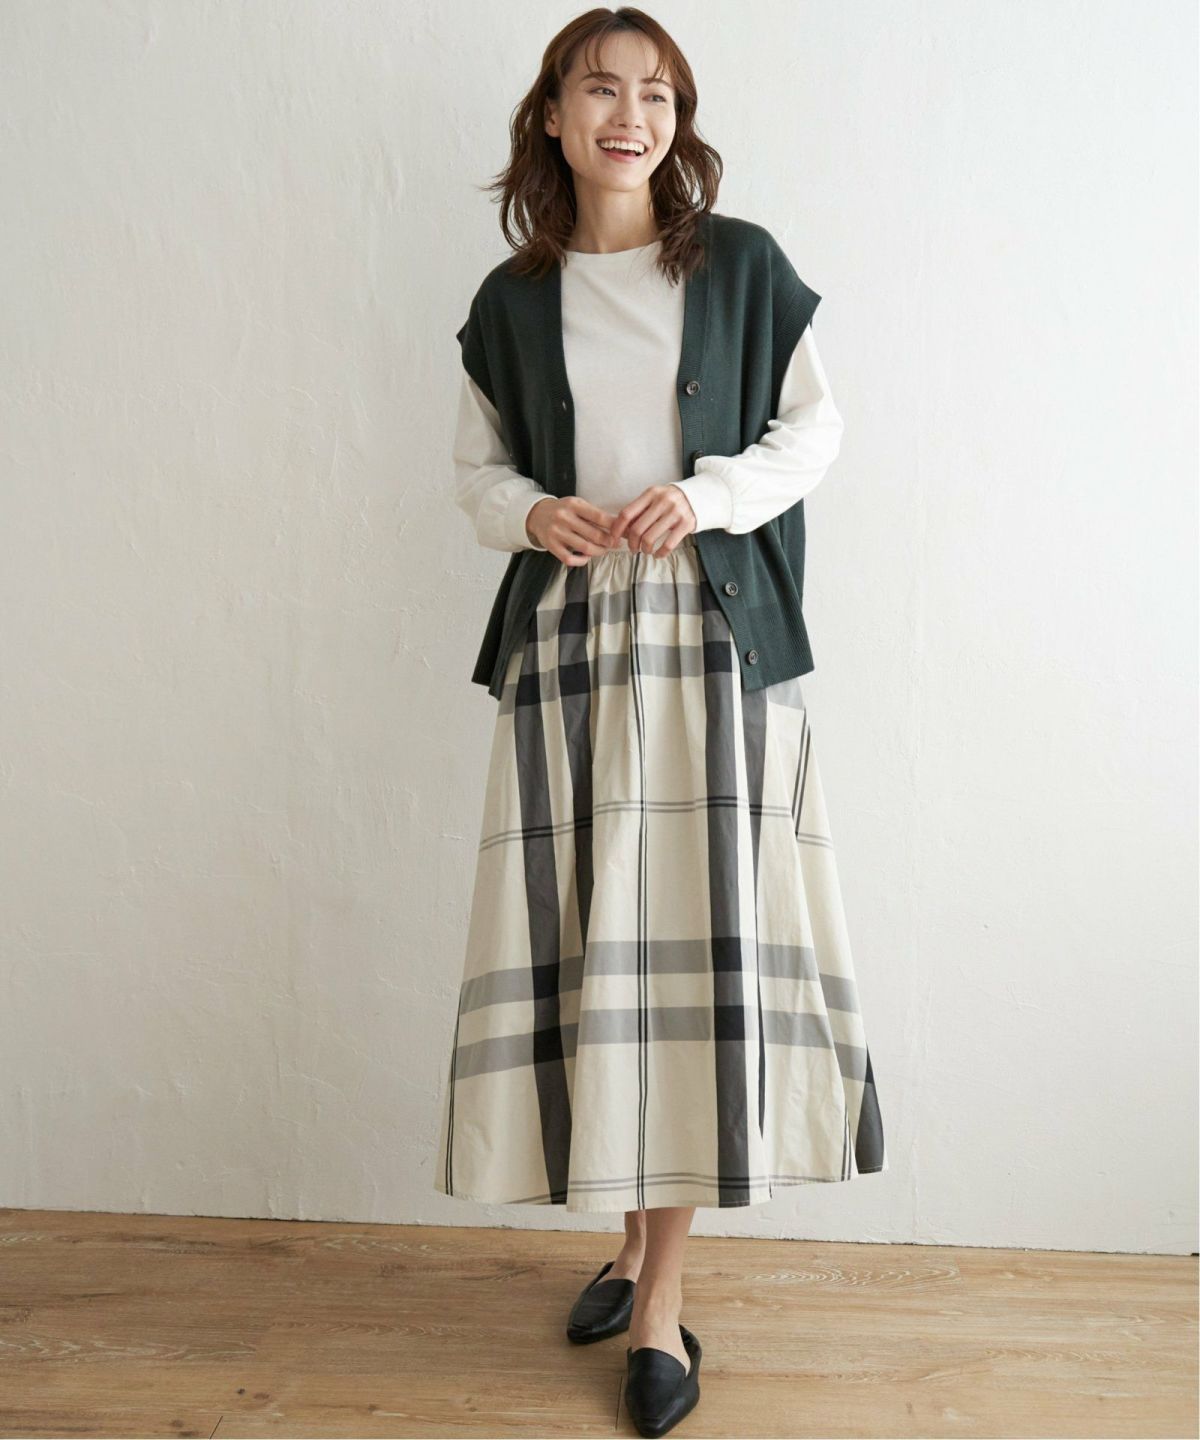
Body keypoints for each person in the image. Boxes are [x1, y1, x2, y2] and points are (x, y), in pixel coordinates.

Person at [434, 9, 887, 1435]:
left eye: (657, 94)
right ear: (553, 116)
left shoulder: (740, 265)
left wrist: (706, 495)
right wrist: (533, 514)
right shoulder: (513, 301)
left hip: (710, 640)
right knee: (597, 953)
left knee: (690, 962)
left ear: (678, 123)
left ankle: (662, 1305)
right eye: (601, 89)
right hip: (570, 646)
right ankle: (629, 1248)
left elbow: (815, 432)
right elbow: (476, 472)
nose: (629, 115)